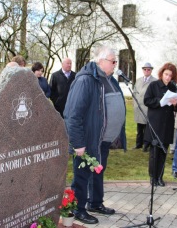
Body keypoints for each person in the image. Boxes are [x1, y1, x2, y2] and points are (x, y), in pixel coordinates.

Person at [64, 45, 126, 225]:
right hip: (87, 140)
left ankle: (95, 203)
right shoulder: (85, 80)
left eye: (116, 61)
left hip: (103, 139)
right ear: (100, 61)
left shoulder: (109, 79)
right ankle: (78, 209)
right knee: (82, 176)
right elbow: (72, 115)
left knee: (98, 172)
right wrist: (78, 143)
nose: (115, 64)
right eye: (113, 61)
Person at [144, 63, 177, 186]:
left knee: (163, 152)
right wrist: (160, 101)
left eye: (170, 75)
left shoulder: (173, 88)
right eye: (166, 74)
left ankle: (160, 177)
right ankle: (153, 177)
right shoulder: (153, 85)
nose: (168, 77)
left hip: (167, 124)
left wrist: (175, 103)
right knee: (154, 153)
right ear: (161, 74)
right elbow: (147, 100)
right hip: (155, 123)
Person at [133, 62, 157, 151]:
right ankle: (138, 144)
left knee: (148, 128)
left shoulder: (154, 81)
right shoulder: (139, 80)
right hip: (138, 107)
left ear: (151, 70)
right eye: (145, 69)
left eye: (148, 69)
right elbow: (134, 92)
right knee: (139, 127)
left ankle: (146, 145)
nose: (146, 71)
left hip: (147, 108)